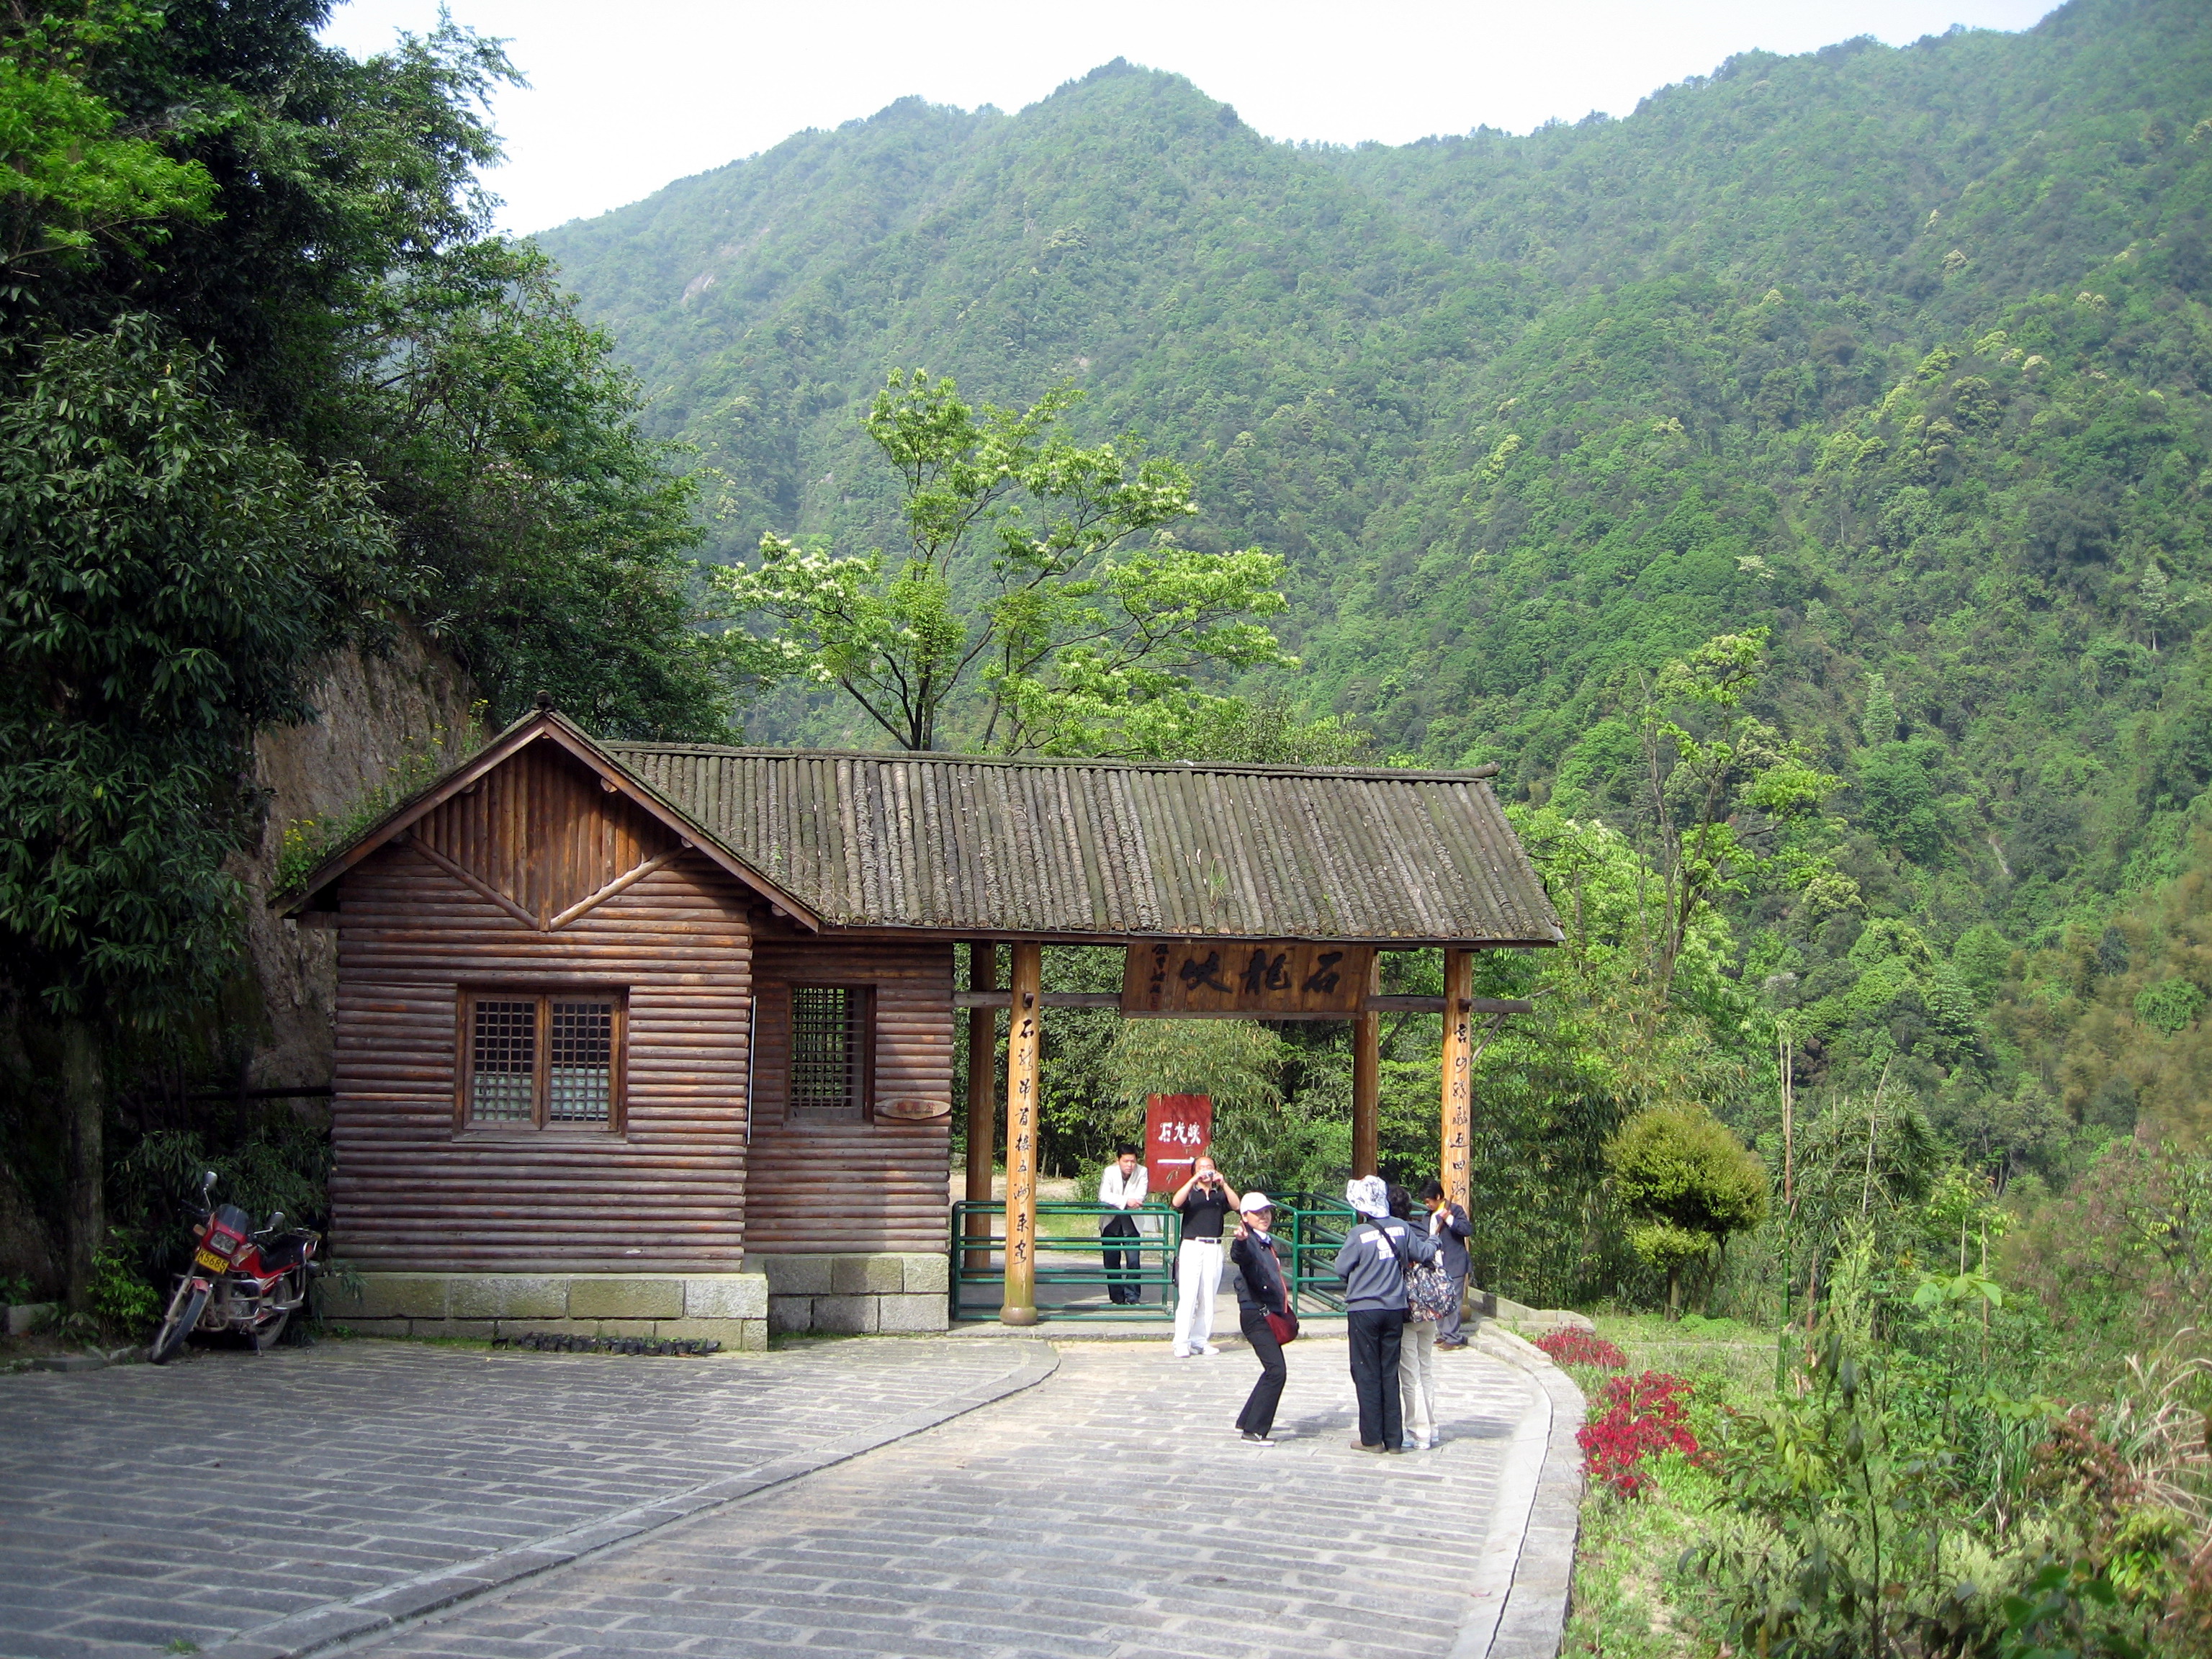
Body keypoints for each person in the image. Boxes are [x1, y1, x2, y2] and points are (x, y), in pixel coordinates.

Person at [1334, 1174, 1436, 1452]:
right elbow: (1422, 1252)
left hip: (1364, 1309)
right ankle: (1394, 1440)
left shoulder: (1358, 1234)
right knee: (1389, 1372)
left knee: (1366, 1372)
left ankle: (1371, 1439)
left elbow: (1340, 1268)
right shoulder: (1402, 1228)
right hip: (1394, 1308)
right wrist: (1436, 1241)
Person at [1229, 1192, 1291, 1442]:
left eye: (1266, 1211)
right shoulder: (1249, 1240)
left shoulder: (1265, 1241)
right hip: (1256, 1314)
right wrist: (1241, 1241)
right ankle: (1254, 1430)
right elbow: (1240, 1256)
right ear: (1245, 1217)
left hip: (1266, 1312)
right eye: (1257, 1213)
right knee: (1277, 1371)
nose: (1264, 1216)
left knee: (1272, 1369)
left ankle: (1247, 1419)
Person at [1169, 1154, 1239, 1357]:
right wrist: (1193, 1180)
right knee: (1188, 1296)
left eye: (1210, 1167)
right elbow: (1176, 1202)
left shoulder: (1219, 1195)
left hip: (1214, 1247)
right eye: (1202, 1167)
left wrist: (1224, 1183)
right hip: (1192, 1245)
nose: (1206, 1170)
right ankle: (1181, 1341)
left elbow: (1237, 1205)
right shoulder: (1191, 1193)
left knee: (1208, 1296)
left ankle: (1201, 1339)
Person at [1392, 1184, 1440, 1451]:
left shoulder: (1397, 1233)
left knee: (1410, 1376)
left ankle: (1417, 1431)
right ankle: (1432, 1428)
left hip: (1408, 1311)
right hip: (1430, 1309)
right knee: (1427, 1370)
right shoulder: (1423, 1229)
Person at [1419, 1177, 1474, 1349]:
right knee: (1439, 1300)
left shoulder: (1455, 1210)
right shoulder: (1427, 1217)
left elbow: (1467, 1230)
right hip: (1436, 1265)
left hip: (1454, 1263)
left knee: (1453, 1301)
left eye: (1429, 1201)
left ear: (1438, 1197)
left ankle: (1453, 1337)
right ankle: (1443, 1333)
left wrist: (1450, 1220)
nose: (1428, 1205)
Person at [1098, 1144, 1148, 1306]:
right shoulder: (1109, 1171)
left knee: (1133, 1261)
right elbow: (1104, 1196)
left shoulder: (1142, 1172)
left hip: (1132, 1223)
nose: (1130, 1165)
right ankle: (1117, 1297)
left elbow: (1140, 1196)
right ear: (1118, 1160)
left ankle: (1133, 1296)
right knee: (1112, 1261)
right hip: (1111, 1222)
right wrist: (1126, 1201)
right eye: (1126, 1161)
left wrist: (1120, 1200)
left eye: (1133, 1161)